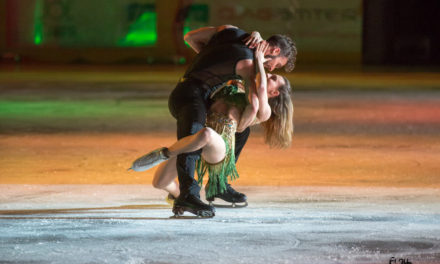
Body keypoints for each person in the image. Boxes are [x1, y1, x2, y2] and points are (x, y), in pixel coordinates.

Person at [130, 43, 294, 217]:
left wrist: (259, 61)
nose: (269, 75)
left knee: (207, 135)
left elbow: (257, 94)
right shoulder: (240, 85)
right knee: (160, 182)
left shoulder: (264, 110)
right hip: (197, 139)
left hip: (219, 147)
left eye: (274, 79)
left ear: (275, 93)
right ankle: (181, 197)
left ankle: (163, 153)